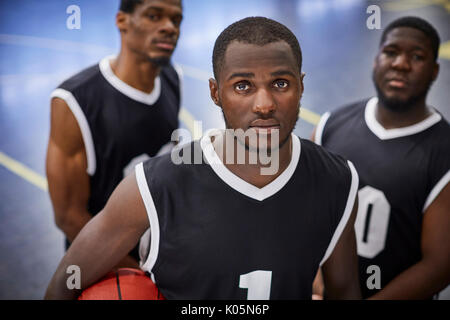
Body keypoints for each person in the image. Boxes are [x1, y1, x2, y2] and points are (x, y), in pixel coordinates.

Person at [45, 16, 361, 300]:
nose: (264, 104)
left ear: (301, 86)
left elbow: (344, 290)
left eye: (280, 83)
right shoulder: (153, 186)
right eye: (243, 86)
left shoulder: (337, 180)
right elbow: (63, 286)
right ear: (215, 92)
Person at [312, 16, 450, 299]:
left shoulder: (443, 152)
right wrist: (315, 286)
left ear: (435, 71)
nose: (400, 64)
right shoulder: (330, 126)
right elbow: (305, 217)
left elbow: (440, 265)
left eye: (417, 56)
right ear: (376, 60)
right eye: (391, 52)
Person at [46, 0, 183, 269]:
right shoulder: (74, 101)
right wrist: (138, 276)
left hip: (157, 250)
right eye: (154, 16)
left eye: (176, 20)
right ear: (122, 21)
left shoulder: (171, 77)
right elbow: (69, 217)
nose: (169, 27)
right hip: (105, 260)